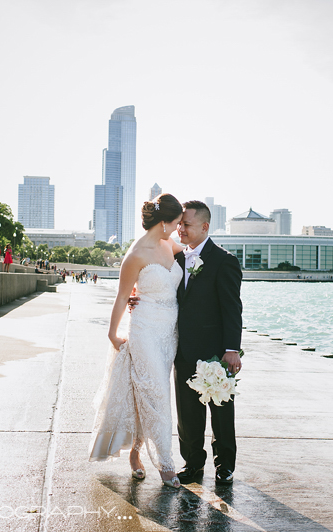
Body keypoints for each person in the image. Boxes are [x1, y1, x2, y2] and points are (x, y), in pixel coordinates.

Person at [89, 193, 185, 488]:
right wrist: (112, 334)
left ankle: (135, 453)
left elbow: (193, 255)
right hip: (143, 329)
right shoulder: (136, 255)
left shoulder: (170, 244)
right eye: (178, 223)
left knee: (146, 394)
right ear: (165, 222)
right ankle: (166, 465)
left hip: (170, 332)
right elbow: (121, 296)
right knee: (156, 392)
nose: (180, 229)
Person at [173, 200, 243, 486]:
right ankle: (192, 463)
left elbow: (232, 308)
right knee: (187, 413)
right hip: (182, 349)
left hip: (215, 353)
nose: (180, 229)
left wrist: (231, 350)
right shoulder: (176, 259)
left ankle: (224, 465)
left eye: (186, 224)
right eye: (179, 224)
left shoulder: (224, 260)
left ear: (204, 226)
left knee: (221, 412)